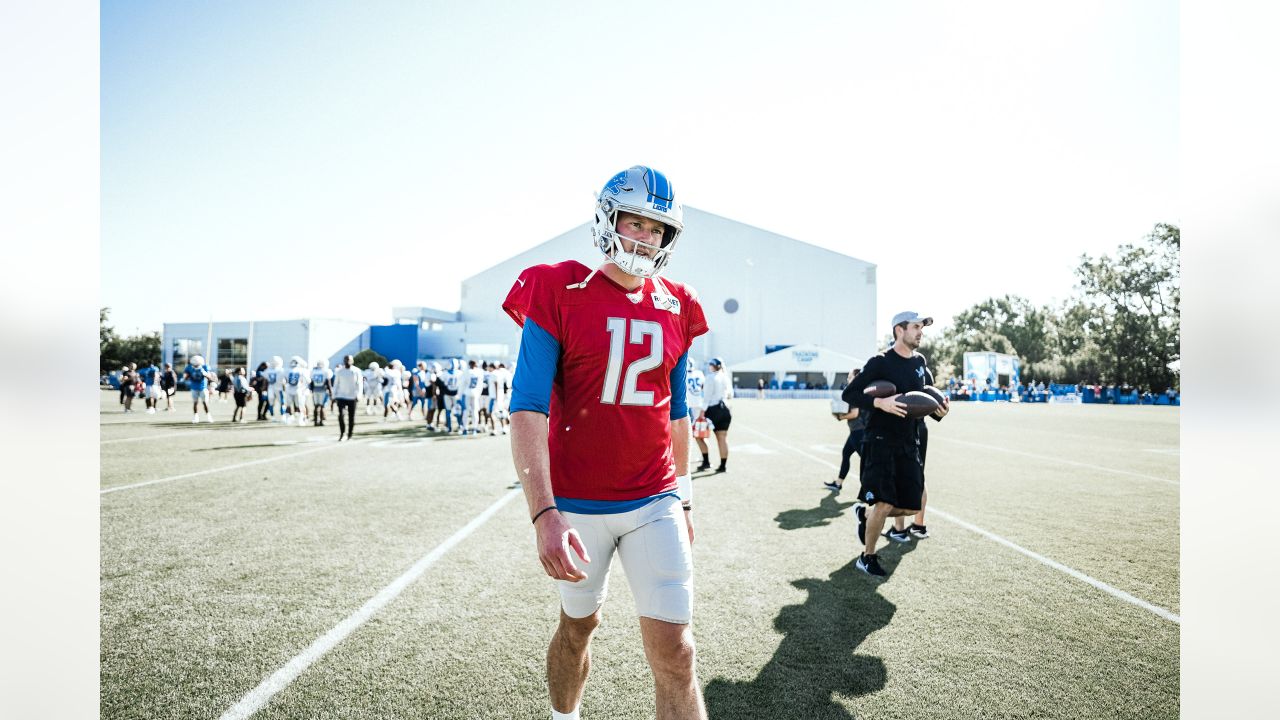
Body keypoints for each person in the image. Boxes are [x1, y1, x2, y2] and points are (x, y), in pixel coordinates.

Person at [504, 165, 709, 720]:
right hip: (576, 503)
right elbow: (526, 407)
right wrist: (544, 513)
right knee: (579, 626)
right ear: (607, 219)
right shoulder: (557, 287)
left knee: (677, 651)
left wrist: (685, 496)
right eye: (634, 223)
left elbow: (678, 411)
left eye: (656, 229)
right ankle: (564, 716)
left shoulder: (678, 304)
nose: (644, 237)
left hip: (653, 497)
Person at [840, 311, 949, 577]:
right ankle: (868, 556)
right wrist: (881, 403)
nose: (920, 331)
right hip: (881, 440)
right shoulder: (880, 362)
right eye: (916, 327)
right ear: (899, 330)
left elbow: (924, 398)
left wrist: (939, 411)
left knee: (912, 505)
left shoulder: (920, 362)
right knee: (886, 503)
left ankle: (867, 518)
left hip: (909, 440)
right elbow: (850, 393)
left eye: (922, 327)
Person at [826, 368, 867, 492]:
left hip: (859, 432)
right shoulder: (859, 390)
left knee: (866, 461)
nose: (848, 379)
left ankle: (868, 490)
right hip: (856, 431)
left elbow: (854, 413)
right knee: (846, 453)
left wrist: (840, 417)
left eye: (850, 377)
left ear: (856, 378)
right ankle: (838, 483)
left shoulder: (856, 391)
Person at [702, 358, 733, 473]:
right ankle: (723, 466)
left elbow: (707, 397)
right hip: (725, 409)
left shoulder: (710, 377)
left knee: (700, 436)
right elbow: (730, 394)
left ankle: (705, 461)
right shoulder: (726, 377)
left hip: (713, 409)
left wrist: (702, 412)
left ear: (713, 366)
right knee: (723, 438)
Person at [684, 358, 709, 471]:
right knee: (700, 434)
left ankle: (693, 456)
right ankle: (704, 457)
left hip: (688, 405)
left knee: (689, 434)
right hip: (699, 405)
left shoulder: (684, 374)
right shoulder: (699, 373)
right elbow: (704, 387)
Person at [332, 354, 361, 440]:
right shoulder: (339, 371)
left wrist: (358, 395)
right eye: (346, 360)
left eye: (349, 360)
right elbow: (336, 384)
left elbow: (359, 384)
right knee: (341, 415)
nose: (347, 361)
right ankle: (342, 433)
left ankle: (350, 434)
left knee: (351, 416)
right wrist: (334, 395)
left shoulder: (356, 371)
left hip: (352, 397)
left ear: (352, 361)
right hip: (341, 396)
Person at [183, 354, 216, 423]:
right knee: (195, 403)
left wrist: (205, 374)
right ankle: (196, 417)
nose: (196, 365)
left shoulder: (204, 367)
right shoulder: (189, 367)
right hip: (194, 388)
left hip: (203, 387)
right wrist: (188, 375)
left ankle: (209, 417)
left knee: (205, 403)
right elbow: (185, 378)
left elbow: (210, 377)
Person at [310, 359, 333, 426]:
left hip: (315, 390)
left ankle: (315, 421)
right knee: (322, 406)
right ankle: (321, 421)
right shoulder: (326, 371)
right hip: (323, 390)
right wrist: (331, 391)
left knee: (316, 406)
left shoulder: (313, 371)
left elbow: (311, 383)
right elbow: (328, 383)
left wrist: (312, 390)